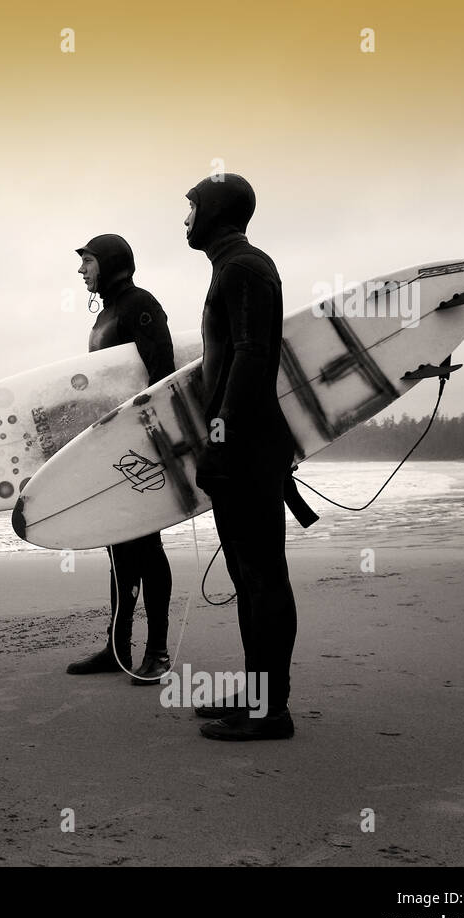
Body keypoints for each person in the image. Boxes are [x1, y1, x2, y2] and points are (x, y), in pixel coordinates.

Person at [183, 173, 298, 740]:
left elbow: (253, 356)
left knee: (261, 576)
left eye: (192, 206)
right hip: (246, 441)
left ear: (217, 212)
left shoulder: (243, 267)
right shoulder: (233, 267)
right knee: (247, 573)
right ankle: (259, 691)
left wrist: (221, 435)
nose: (185, 218)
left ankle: (271, 710)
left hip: (247, 443)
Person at [65, 234, 176, 684]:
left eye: (87, 261)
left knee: (147, 548)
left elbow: (163, 372)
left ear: (110, 263)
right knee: (118, 547)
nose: (81, 271)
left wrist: (153, 442)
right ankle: (118, 645)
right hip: (115, 447)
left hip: (143, 448)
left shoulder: (139, 305)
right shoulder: (107, 314)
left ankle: (159, 651)